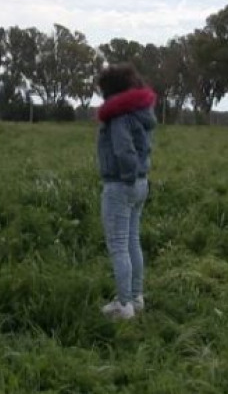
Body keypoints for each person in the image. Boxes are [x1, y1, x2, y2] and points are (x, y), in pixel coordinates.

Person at [95, 63, 157, 320]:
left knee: (118, 245)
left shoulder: (119, 116)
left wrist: (126, 177)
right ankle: (136, 297)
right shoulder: (140, 112)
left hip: (121, 185)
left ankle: (124, 306)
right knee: (132, 240)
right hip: (141, 183)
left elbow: (123, 150)